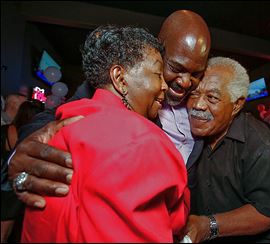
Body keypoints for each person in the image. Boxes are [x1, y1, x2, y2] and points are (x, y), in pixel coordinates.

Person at [6, 10, 211, 208]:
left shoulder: (202, 106)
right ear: (159, 52)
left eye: (196, 74)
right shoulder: (114, 85)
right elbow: (52, 118)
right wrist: (22, 153)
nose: (185, 82)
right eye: (176, 68)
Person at [21, 25, 190, 242]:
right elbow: (176, 218)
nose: (165, 86)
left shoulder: (60, 127)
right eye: (158, 75)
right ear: (120, 78)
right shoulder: (148, 140)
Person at [184, 57, 270, 242]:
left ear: (237, 105)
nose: (198, 105)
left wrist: (207, 226)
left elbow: (267, 213)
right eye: (194, 93)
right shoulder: (187, 135)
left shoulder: (263, 147)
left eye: (212, 97)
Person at [1, 100, 44, 243]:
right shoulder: (32, 137)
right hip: (14, 186)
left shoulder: (6, 129)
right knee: (6, 230)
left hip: (5, 181)